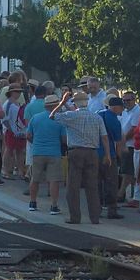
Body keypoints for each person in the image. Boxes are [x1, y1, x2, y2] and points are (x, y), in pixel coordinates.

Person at [50, 90, 108, 225]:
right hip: (92, 152)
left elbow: (52, 116)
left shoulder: (71, 116)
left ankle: (75, 217)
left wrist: (62, 102)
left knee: (73, 186)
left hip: (76, 151)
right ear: (87, 102)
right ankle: (95, 217)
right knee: (92, 186)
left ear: (75, 104)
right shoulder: (96, 117)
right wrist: (107, 154)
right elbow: (104, 137)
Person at [25, 94, 66, 215]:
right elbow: (64, 139)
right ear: (55, 105)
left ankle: (32, 203)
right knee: (54, 180)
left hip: (38, 152)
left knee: (35, 179)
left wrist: (36, 143)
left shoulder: (36, 118)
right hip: (54, 152)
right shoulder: (59, 119)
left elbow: (28, 136)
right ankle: (53, 206)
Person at [97, 96, 126, 220]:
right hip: (109, 155)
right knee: (111, 183)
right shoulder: (114, 120)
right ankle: (112, 210)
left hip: (94, 153)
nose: (122, 111)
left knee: (96, 183)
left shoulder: (97, 114)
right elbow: (118, 142)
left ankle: (96, 209)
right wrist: (119, 157)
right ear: (116, 107)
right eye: (121, 108)